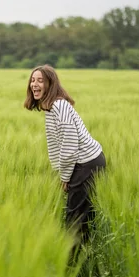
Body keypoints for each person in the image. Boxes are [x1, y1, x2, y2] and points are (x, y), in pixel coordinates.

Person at [23, 64, 106, 259]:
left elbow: (69, 146)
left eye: (40, 80)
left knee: (75, 219)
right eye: (32, 80)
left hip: (87, 163)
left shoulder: (59, 106)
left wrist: (65, 176)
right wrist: (61, 171)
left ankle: (73, 264)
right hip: (82, 162)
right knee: (81, 216)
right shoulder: (50, 108)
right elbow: (56, 145)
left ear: (50, 84)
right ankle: (82, 259)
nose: (35, 84)